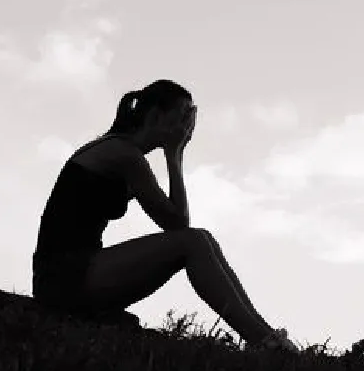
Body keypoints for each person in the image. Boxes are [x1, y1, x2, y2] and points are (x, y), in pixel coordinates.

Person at [31, 78, 297, 351]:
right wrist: (175, 154)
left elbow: (177, 220)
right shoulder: (123, 154)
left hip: (75, 272)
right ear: (156, 115)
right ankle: (264, 341)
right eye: (182, 117)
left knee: (202, 238)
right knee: (192, 242)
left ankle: (265, 335)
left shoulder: (124, 154)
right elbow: (177, 223)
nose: (186, 127)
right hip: (63, 277)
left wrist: (175, 151)